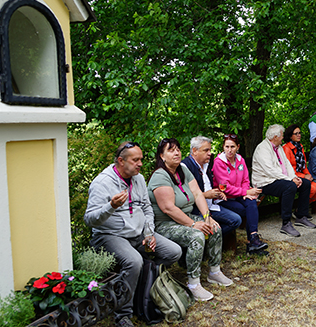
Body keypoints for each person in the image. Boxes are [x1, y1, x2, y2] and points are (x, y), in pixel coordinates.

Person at [84, 142, 182, 327]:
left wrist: (149, 233)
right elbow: (90, 220)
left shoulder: (138, 179)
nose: (140, 164)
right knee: (134, 261)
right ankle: (123, 314)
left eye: (141, 160)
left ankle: (144, 288)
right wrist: (110, 207)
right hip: (110, 235)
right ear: (121, 161)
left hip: (138, 235)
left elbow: (147, 208)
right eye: (135, 160)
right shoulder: (102, 183)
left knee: (173, 251)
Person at [148, 138, 233, 302]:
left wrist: (207, 217)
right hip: (164, 223)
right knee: (197, 235)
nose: (177, 152)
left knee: (214, 227)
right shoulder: (160, 175)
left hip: (184, 218)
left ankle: (214, 272)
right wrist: (194, 224)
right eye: (171, 150)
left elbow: (197, 194)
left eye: (178, 149)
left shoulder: (182, 170)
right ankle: (193, 283)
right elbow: (168, 208)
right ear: (162, 156)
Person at [252, 124, 316, 237]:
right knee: (290, 187)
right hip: (265, 182)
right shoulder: (262, 148)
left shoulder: (278, 147)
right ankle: (286, 223)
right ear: (275, 137)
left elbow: (287, 164)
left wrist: (294, 177)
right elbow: (270, 171)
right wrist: (290, 180)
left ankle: (301, 216)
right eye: (281, 135)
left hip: (280, 179)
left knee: (305, 183)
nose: (283, 138)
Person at [212, 133, 269, 255]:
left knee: (251, 201)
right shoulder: (219, 162)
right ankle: (252, 243)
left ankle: (252, 239)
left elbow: (245, 180)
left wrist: (246, 194)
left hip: (239, 195)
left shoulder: (240, 160)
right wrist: (246, 191)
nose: (229, 150)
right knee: (246, 210)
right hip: (223, 198)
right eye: (226, 146)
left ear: (237, 147)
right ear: (223, 147)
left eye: (232, 146)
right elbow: (224, 187)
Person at [181, 136, 242, 236]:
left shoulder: (207, 164)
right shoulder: (185, 167)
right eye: (206, 150)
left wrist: (217, 193)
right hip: (195, 211)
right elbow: (184, 196)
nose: (210, 153)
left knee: (236, 219)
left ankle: (212, 237)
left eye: (210, 150)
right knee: (234, 219)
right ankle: (211, 237)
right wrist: (205, 195)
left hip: (211, 206)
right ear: (194, 151)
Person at [282, 124, 316, 203]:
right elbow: (289, 169)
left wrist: (308, 175)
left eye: (299, 133)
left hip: (301, 175)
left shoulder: (300, 147)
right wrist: (304, 176)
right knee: (312, 189)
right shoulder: (286, 148)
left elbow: (304, 166)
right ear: (290, 136)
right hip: (292, 177)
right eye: (296, 133)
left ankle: (302, 209)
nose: (299, 135)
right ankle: (300, 210)